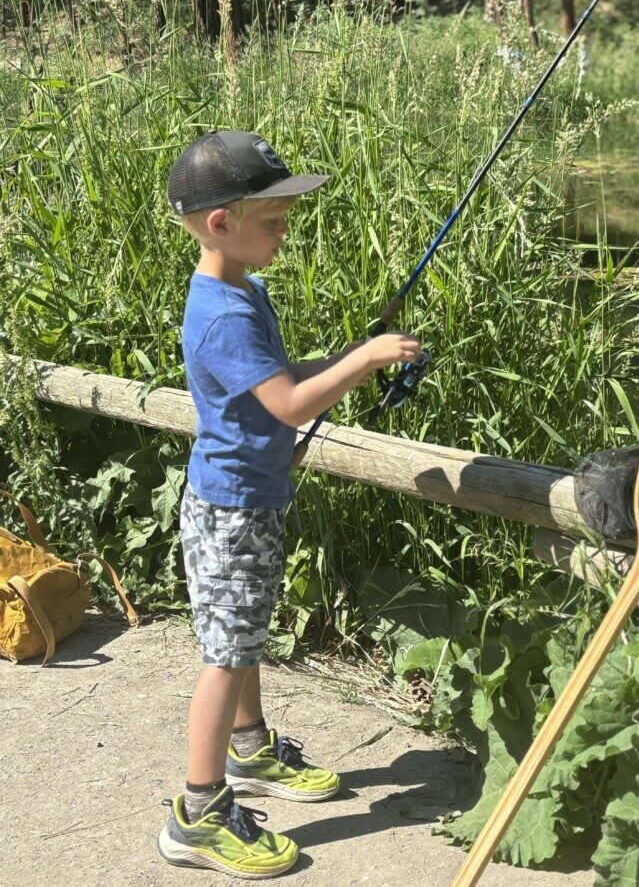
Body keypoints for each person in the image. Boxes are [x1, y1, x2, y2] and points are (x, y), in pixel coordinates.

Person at [156, 130, 420, 877]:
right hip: (232, 509)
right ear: (221, 224)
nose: (284, 231)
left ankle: (251, 751)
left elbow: (284, 381)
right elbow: (289, 403)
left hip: (245, 496)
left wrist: (348, 357)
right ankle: (199, 814)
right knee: (226, 654)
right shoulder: (224, 315)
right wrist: (363, 360)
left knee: (242, 638)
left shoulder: (242, 288)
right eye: (272, 220)